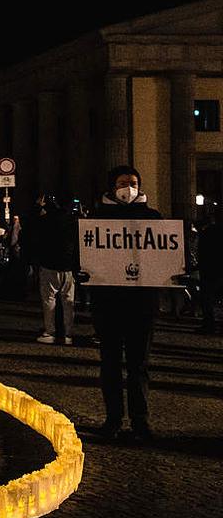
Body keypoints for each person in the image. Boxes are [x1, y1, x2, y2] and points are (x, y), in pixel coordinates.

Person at [88, 165, 165, 441]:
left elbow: (164, 254)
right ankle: (113, 418)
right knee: (110, 364)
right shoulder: (96, 219)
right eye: (123, 182)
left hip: (142, 304)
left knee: (139, 365)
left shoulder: (153, 218)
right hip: (108, 304)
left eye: (132, 182)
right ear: (112, 186)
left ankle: (140, 420)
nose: (128, 187)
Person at [27, 194, 79, 345]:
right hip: (68, 265)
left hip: (49, 263)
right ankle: (68, 334)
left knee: (49, 300)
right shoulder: (73, 221)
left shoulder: (45, 221)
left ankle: (50, 332)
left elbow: (30, 225)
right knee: (68, 301)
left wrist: (37, 207)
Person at [196, 204, 222, 335]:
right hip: (215, 269)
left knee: (207, 299)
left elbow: (202, 252)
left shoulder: (207, 232)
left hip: (209, 270)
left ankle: (209, 324)